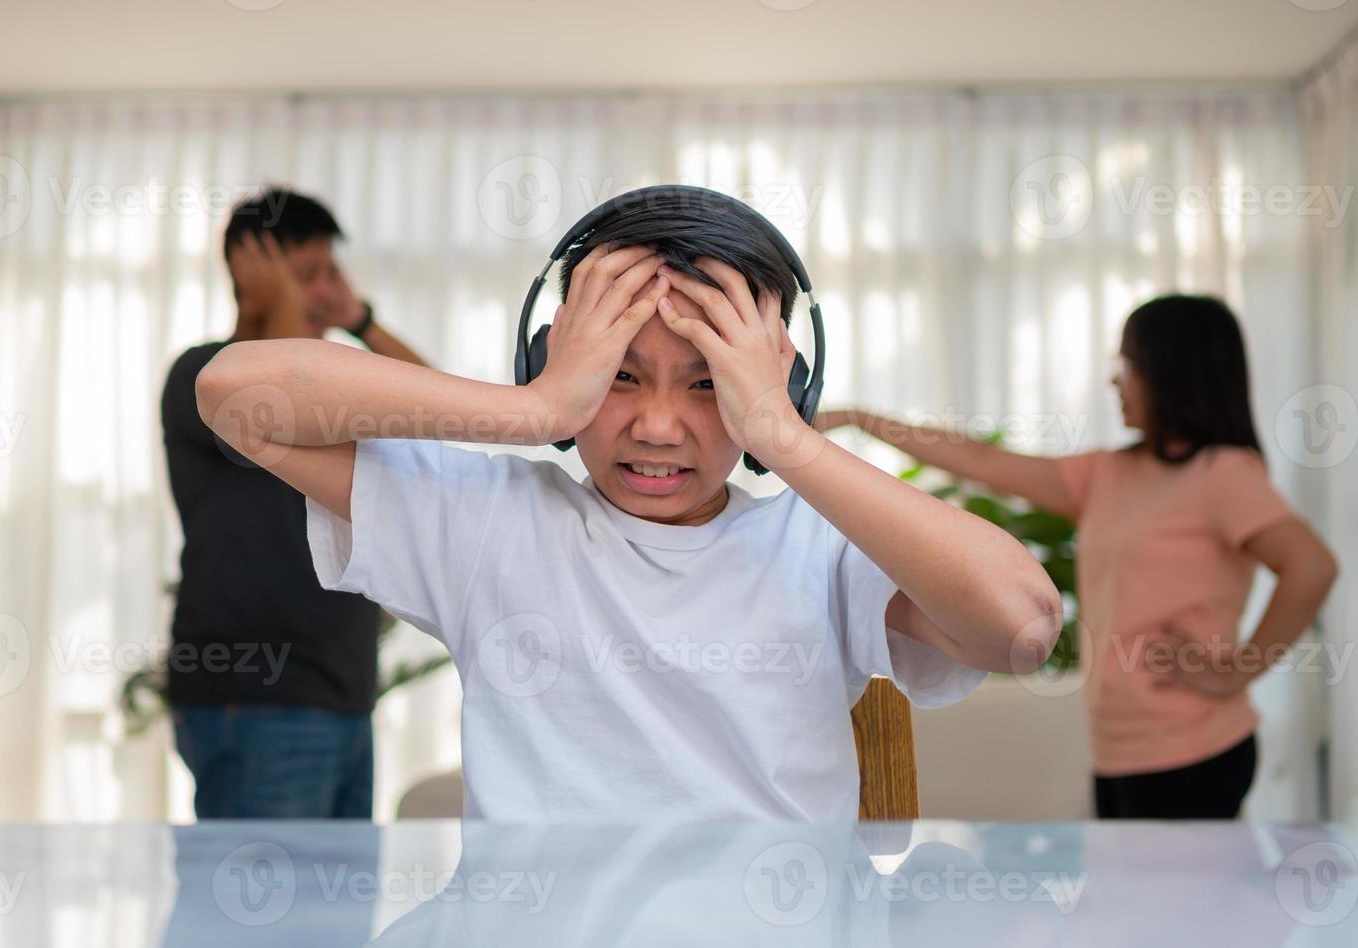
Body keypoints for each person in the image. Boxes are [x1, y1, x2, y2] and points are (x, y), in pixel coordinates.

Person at [193, 187, 1061, 821]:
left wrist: (784, 436)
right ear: (553, 360)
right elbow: (234, 392)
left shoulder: (821, 544)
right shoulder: (489, 521)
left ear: (785, 385)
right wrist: (535, 409)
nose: (656, 424)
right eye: (619, 377)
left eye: (707, 384)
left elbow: (1022, 627)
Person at [816, 293, 1339, 820]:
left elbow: (1312, 566)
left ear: (1173, 372)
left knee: (1175, 904)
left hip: (1196, 748)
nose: (1116, 381)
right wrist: (861, 419)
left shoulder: (1224, 474)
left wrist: (1238, 669)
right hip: (1117, 749)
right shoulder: (1106, 476)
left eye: (1127, 365)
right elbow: (980, 461)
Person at [160, 188, 429, 819]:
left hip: (343, 694)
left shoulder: (336, 378)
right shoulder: (202, 377)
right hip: (254, 699)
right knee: (256, 918)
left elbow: (428, 412)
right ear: (247, 275)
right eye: (305, 276)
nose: (319, 294)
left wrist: (360, 320)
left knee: (336, 916)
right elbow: (288, 395)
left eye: (328, 274)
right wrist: (280, 303)